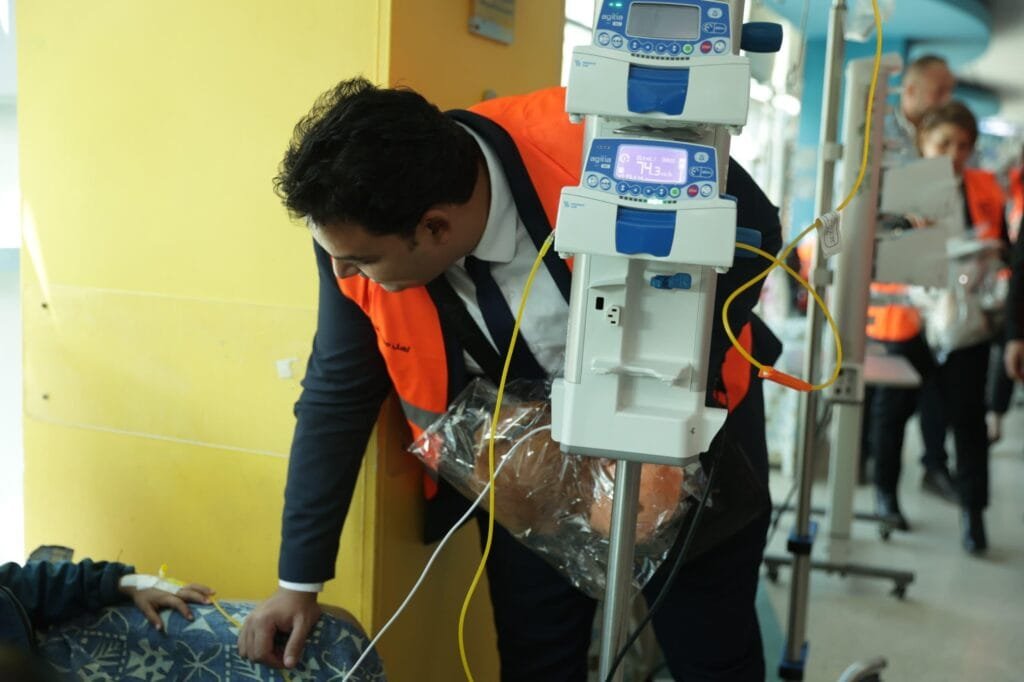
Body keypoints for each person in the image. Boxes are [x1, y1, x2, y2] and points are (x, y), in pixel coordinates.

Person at [238, 77, 783, 680]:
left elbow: (758, 230)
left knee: (712, 654)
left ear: (436, 227)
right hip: (525, 474)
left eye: (362, 261)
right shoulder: (353, 227)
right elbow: (336, 395)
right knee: (537, 661)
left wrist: (671, 390)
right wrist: (298, 583)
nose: (343, 271)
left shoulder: (594, 144)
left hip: (683, 442)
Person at [867, 55, 959, 529]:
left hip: (935, 291)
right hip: (890, 294)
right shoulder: (878, 136)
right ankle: (885, 494)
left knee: (940, 388)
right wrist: (904, 219)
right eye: (940, 91)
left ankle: (933, 467)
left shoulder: (943, 140)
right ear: (911, 90)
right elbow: (861, 207)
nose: (946, 100)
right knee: (892, 401)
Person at [914, 101, 1006, 553]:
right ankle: (918, 477)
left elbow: (1003, 247)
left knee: (969, 422)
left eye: (964, 145)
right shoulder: (903, 191)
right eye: (945, 143)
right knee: (909, 413)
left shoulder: (985, 188)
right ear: (924, 143)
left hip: (969, 324)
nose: (954, 153)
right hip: (911, 325)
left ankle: (974, 512)